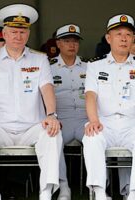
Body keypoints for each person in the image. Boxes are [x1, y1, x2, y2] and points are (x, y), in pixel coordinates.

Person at [0, 4, 63, 200]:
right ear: (4, 33)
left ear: (28, 34)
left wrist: (51, 115)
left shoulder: (40, 59)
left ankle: (46, 191)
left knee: (53, 132)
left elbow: (47, 88)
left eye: (22, 32)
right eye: (13, 31)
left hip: (32, 126)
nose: (18, 36)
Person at [83, 14, 135, 200]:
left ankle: (133, 194)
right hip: (104, 122)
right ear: (108, 38)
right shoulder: (95, 66)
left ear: (133, 39)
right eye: (118, 33)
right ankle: (99, 192)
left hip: (132, 123)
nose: (123, 38)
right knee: (91, 138)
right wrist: (93, 120)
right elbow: (90, 95)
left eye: (128, 35)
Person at [50, 23, 87, 199]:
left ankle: (99, 186)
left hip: (84, 118)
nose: (72, 45)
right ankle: (63, 186)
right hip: (60, 118)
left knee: (99, 141)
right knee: (51, 140)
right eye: (67, 41)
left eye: (75, 41)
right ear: (58, 44)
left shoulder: (90, 67)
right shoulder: (48, 68)